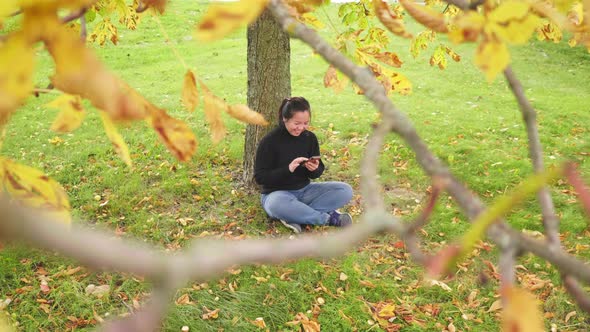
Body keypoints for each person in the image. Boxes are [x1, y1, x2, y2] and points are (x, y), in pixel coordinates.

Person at [254, 96, 354, 233]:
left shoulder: (309, 138)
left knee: (345, 190)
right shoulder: (270, 141)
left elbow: (317, 172)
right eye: (296, 123)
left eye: (305, 123)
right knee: (275, 205)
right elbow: (260, 177)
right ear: (285, 119)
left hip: (306, 191)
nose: (301, 128)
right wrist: (288, 169)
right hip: (277, 194)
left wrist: (314, 169)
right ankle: (327, 219)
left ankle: (295, 216)